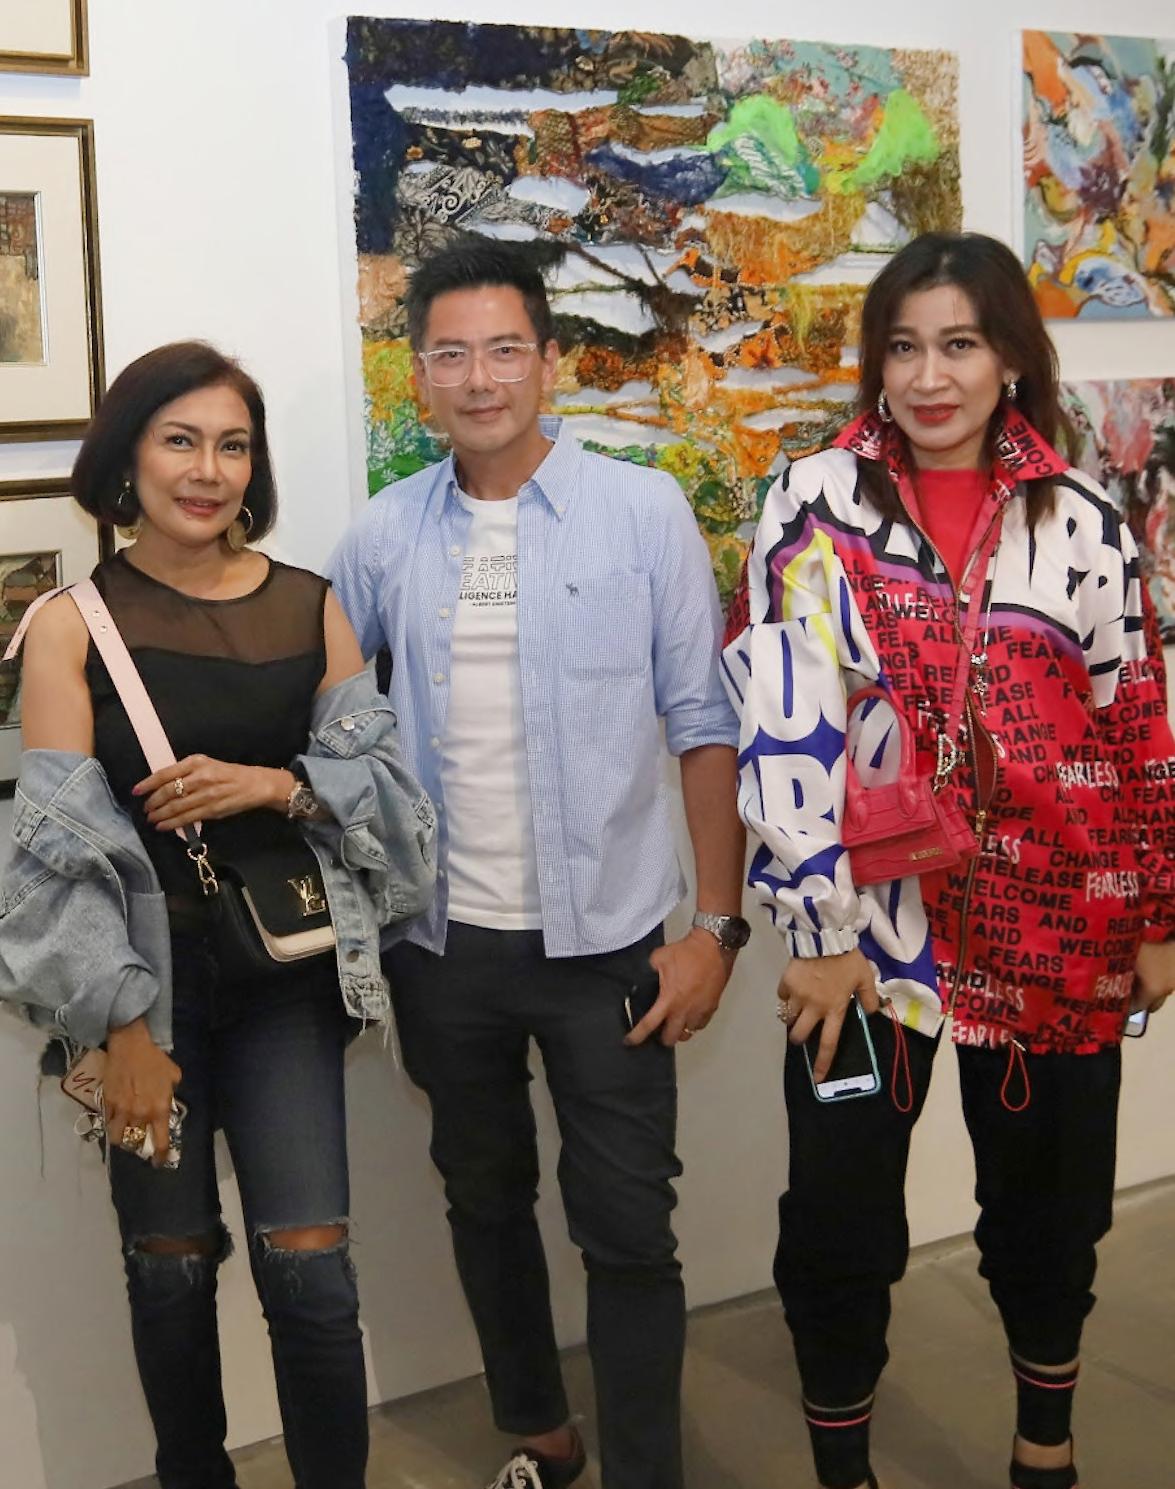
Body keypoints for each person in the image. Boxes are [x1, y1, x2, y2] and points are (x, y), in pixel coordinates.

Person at [721, 232, 1175, 1489]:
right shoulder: (813, 500)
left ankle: (1043, 1450)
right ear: (876, 361)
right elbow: (783, 719)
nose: (928, 377)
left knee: (1051, 1216)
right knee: (837, 1224)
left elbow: (1133, 722)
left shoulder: (1080, 518)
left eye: (958, 345)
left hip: (1057, 922)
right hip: (870, 936)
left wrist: (1155, 911)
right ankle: (843, 1472)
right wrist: (818, 935)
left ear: (1008, 359)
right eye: (904, 347)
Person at [328, 237, 747, 1489]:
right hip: (443, 946)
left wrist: (713, 929)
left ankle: (646, 1471)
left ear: (549, 362)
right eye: (450, 354)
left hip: (611, 946)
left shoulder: (642, 513)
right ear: (418, 375)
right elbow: (339, 737)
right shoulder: (381, 537)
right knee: (484, 1202)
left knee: (629, 1228)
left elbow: (702, 724)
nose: (479, 378)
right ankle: (541, 1436)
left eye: (504, 349)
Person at [0, 342, 436, 1489]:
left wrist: (276, 785)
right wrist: (121, 1026)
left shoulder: (310, 605)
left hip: (285, 984)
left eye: (232, 445)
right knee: (170, 1267)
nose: (207, 469)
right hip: (144, 995)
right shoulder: (70, 624)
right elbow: (53, 856)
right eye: (180, 441)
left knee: (312, 1268)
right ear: (127, 458)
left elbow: (392, 808)